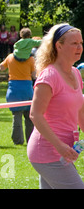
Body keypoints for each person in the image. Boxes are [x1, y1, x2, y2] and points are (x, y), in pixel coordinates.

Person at [27, 23, 84, 189]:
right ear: (59, 46)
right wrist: (59, 146)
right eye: (74, 43)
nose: (79, 47)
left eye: (81, 43)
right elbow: (35, 115)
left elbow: (80, 110)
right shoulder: (49, 76)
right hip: (48, 152)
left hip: (63, 151)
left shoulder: (75, 73)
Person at [0, 50, 36, 145]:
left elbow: (1, 67)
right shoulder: (31, 59)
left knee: (17, 115)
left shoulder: (10, 57)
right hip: (27, 88)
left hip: (14, 88)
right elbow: (33, 75)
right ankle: (30, 139)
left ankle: (18, 140)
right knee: (29, 117)